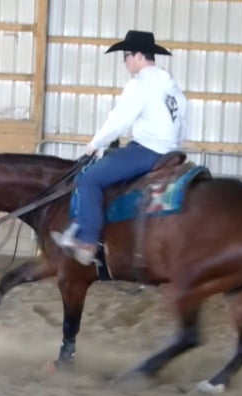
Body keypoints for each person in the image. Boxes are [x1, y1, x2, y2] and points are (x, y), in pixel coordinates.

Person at [51, 30, 188, 266]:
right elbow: (183, 121)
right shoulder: (171, 86)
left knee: (89, 178)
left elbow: (119, 120)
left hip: (148, 150)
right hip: (171, 151)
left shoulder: (140, 84)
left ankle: (87, 240)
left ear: (138, 56)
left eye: (126, 56)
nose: (125, 62)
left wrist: (95, 143)